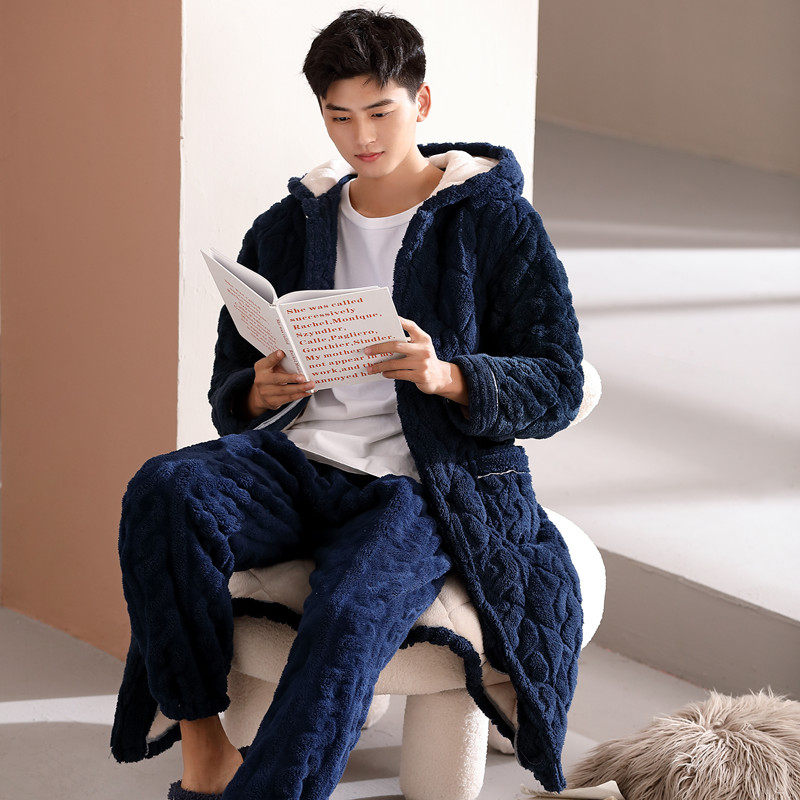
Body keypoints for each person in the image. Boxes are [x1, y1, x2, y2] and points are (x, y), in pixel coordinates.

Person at [110, 7, 586, 800]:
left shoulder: (496, 222)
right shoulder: (288, 226)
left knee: (348, 615)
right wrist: (255, 391)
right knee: (163, 489)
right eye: (338, 116)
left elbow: (559, 380)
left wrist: (447, 375)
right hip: (297, 465)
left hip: (419, 485)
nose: (360, 137)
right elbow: (233, 379)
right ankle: (206, 748)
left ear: (421, 103)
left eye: (379, 112)